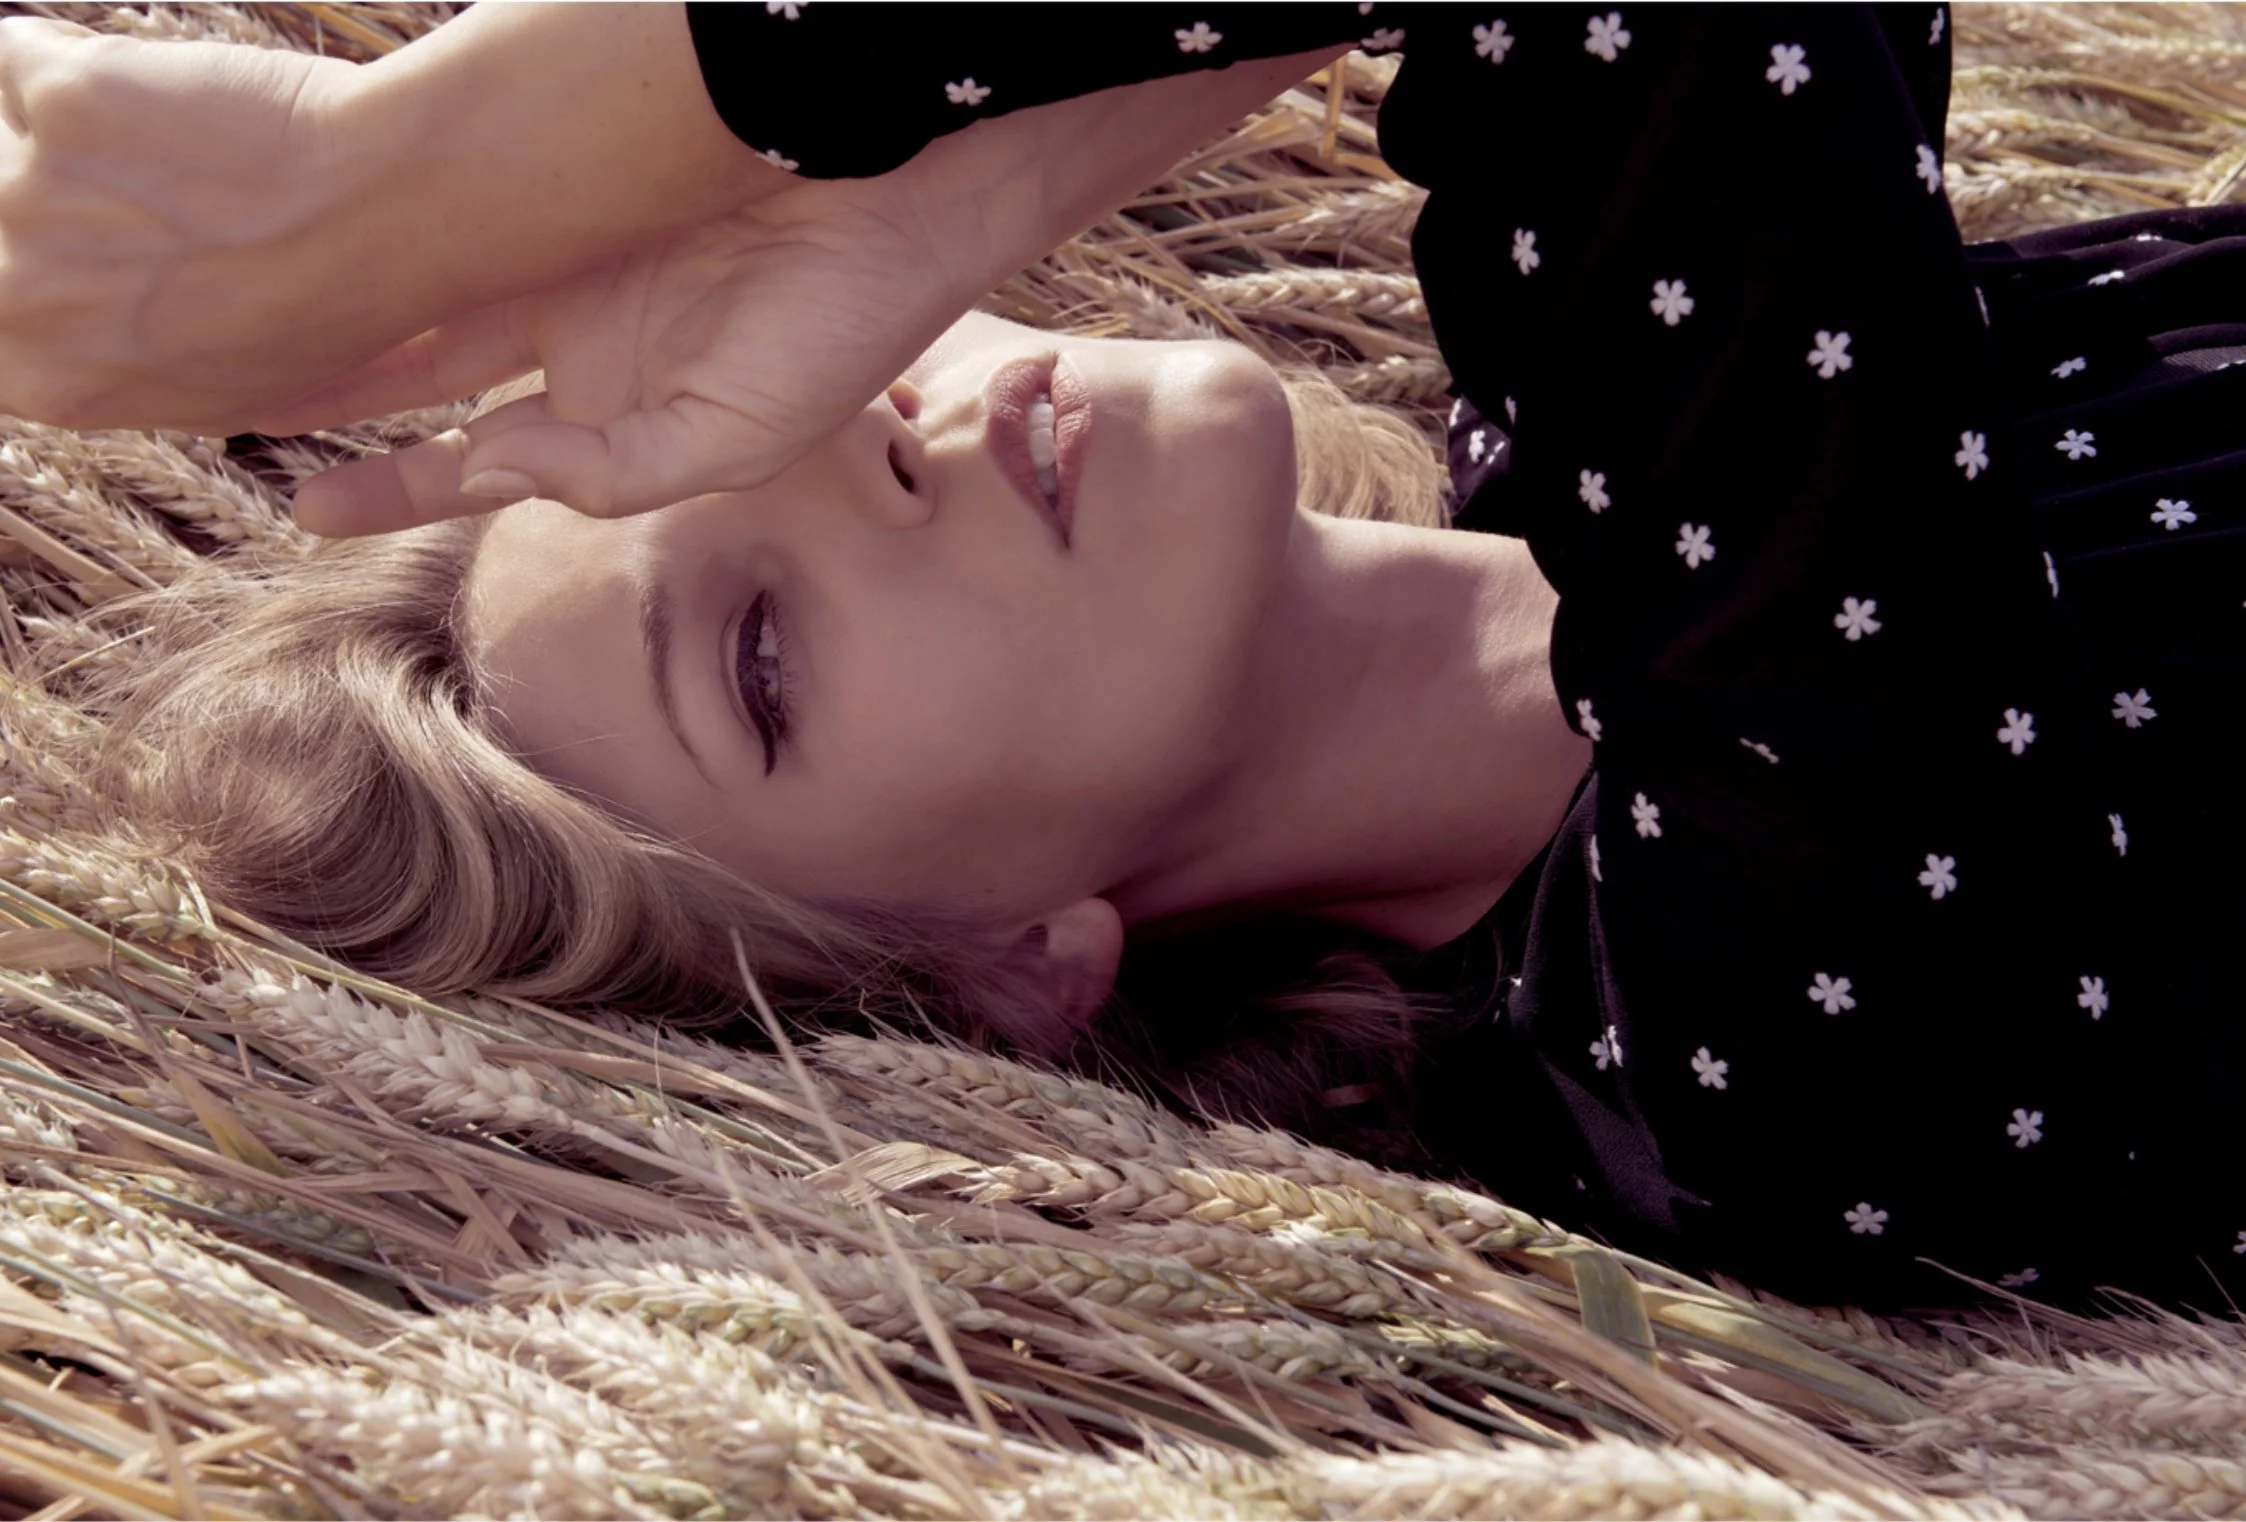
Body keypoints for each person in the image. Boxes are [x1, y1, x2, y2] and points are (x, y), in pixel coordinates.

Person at [3, 4, 2240, 1316]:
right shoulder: (1735, 1065)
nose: (867, 449)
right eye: (761, 655)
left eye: (770, 421)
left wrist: (920, 206)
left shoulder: (1584, 430)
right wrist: (408, 183)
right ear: (995, 972)